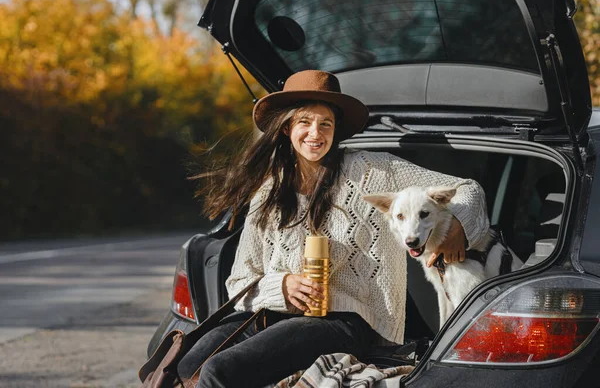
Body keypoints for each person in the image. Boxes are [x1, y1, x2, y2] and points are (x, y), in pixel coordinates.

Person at [178, 70, 489, 387]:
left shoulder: (373, 169)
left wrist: (457, 227)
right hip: (273, 314)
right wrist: (281, 286)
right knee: (189, 366)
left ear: (336, 129)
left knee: (220, 371)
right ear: (287, 127)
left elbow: (468, 189)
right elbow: (240, 283)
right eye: (305, 122)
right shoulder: (268, 194)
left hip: (346, 322)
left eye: (325, 123)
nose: (315, 133)